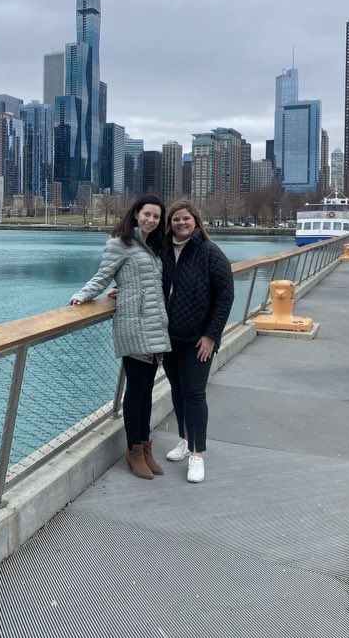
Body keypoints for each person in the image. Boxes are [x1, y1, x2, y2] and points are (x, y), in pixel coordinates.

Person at [70, 196, 170, 480]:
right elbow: (102, 276)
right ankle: (134, 450)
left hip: (155, 324)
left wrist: (122, 287)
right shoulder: (119, 243)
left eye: (156, 216)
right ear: (136, 214)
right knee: (136, 390)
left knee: (147, 391)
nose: (151, 220)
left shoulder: (153, 247)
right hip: (134, 324)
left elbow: (148, 283)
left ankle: (146, 447)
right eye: (147, 214)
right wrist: (83, 295)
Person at [161, 199, 234, 483]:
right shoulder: (164, 251)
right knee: (177, 391)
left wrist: (211, 336)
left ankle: (197, 455)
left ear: (196, 222)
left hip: (197, 340)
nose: (180, 223)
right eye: (176, 219)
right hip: (169, 338)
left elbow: (225, 297)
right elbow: (148, 279)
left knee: (194, 394)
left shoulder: (210, 253)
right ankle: (184, 440)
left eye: (186, 219)